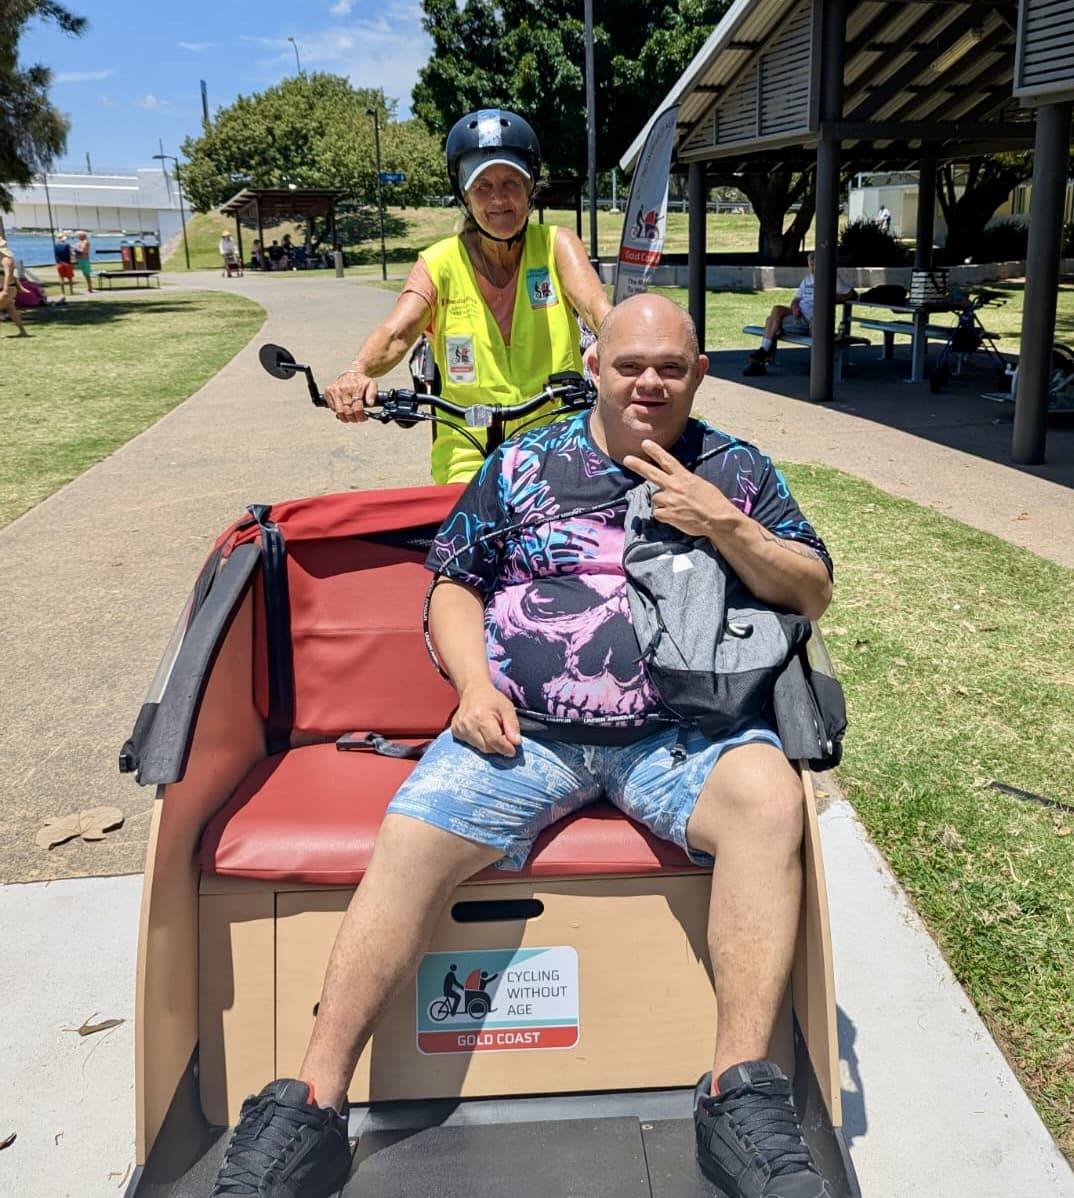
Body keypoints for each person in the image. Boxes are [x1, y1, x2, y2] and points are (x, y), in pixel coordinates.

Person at [210, 293, 836, 1198]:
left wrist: (725, 523)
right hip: (526, 734)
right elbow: (453, 586)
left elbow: (811, 591)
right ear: (596, 369)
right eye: (629, 365)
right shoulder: (525, 465)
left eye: (671, 366)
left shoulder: (737, 470)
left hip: (682, 734)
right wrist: (472, 685)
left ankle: (737, 1094)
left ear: (700, 373)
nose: (649, 382)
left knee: (772, 799)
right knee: (412, 834)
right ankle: (311, 1100)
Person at [323, 107, 611, 484]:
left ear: (530, 187)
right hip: (467, 450)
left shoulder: (556, 245)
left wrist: (626, 344)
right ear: (465, 195)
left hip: (556, 438)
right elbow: (396, 334)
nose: (499, 199)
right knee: (462, 534)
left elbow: (595, 307)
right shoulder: (439, 262)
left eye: (511, 182)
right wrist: (355, 372)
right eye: (483, 186)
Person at [744, 250, 856, 376]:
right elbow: (796, 299)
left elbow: (852, 294)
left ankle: (766, 353)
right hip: (798, 317)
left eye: (815, 265)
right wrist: (794, 306)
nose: (812, 268)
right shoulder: (807, 279)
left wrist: (832, 298)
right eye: (810, 264)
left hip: (813, 320)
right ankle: (764, 351)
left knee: (774, 322)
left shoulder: (832, 278)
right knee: (776, 311)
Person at [0, 238, 30, 336]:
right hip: (8, 288)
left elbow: (9, 275)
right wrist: (20, 287)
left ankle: (23, 331)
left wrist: (5, 289)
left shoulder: (6, 260)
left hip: (7, 288)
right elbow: (14, 276)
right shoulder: (2, 258)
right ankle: (23, 331)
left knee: (10, 308)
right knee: (11, 309)